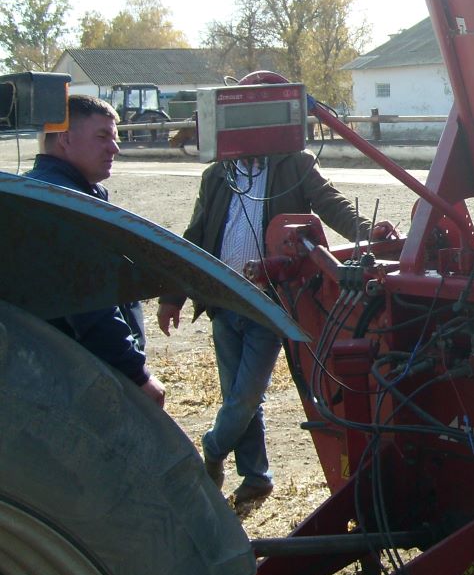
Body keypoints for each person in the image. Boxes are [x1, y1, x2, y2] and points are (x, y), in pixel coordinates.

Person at [156, 149, 380, 505]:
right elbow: (197, 234)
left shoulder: (293, 164)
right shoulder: (218, 174)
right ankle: (256, 476)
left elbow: (330, 203)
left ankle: (213, 448)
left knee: (245, 395)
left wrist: (370, 233)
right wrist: (173, 296)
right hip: (224, 301)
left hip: (269, 303)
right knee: (238, 395)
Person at [24, 94, 165, 407]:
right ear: (65, 139)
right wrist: (136, 374)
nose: (114, 148)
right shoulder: (67, 205)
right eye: (102, 137)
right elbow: (91, 305)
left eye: (114, 138)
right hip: (81, 380)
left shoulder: (38, 192)